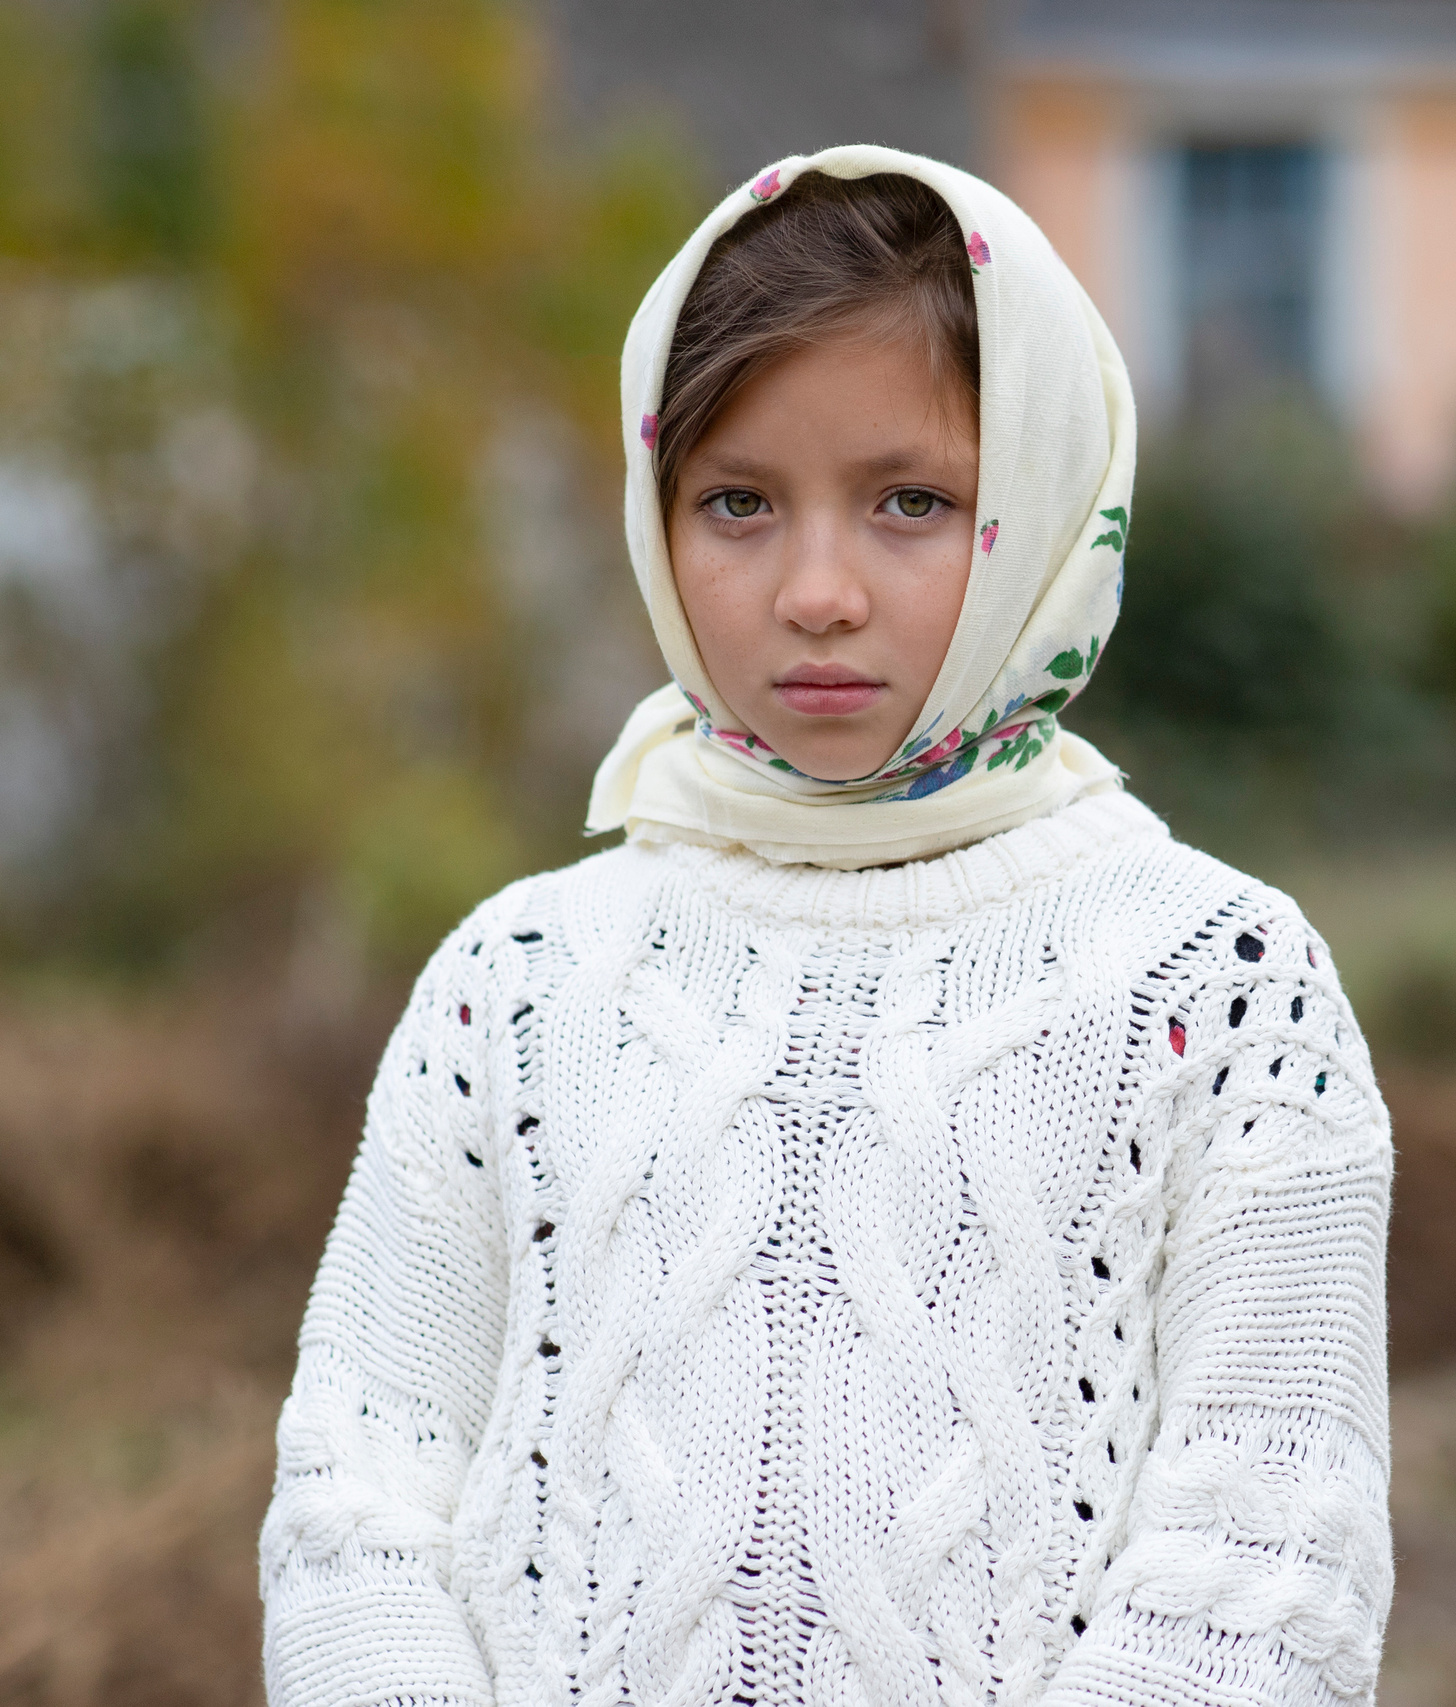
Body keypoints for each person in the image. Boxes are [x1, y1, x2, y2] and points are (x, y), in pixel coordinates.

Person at [256, 146, 1393, 1707]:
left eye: (910, 502)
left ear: (1050, 504)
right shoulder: (514, 986)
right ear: (657, 519)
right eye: (738, 503)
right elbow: (359, 1497)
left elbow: (1263, 1557)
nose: (816, 591)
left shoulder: (1218, 987)